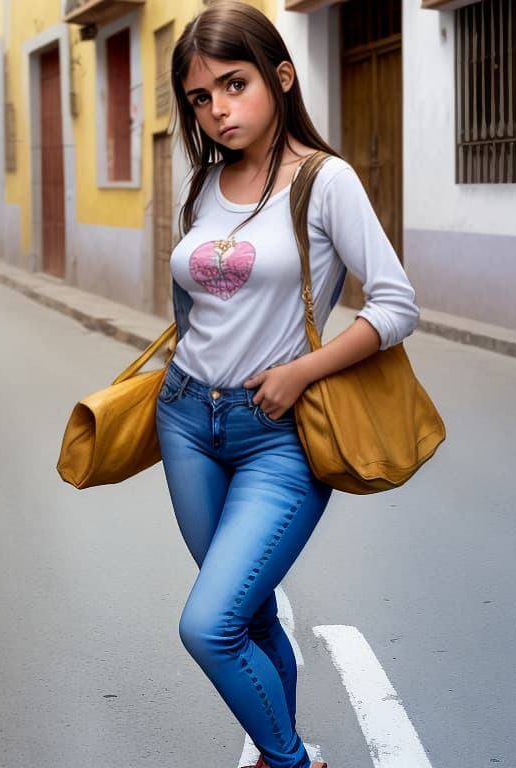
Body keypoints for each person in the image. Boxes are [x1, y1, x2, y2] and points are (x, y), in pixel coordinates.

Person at [157, 3, 418, 767]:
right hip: (185, 421)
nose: (217, 110)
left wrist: (301, 371)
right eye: (200, 98)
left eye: (233, 85)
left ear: (281, 75)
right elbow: (197, 304)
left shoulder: (323, 180)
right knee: (253, 613)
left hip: (278, 432)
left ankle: (293, 761)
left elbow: (397, 303)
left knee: (209, 623)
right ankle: (279, 756)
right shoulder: (204, 182)